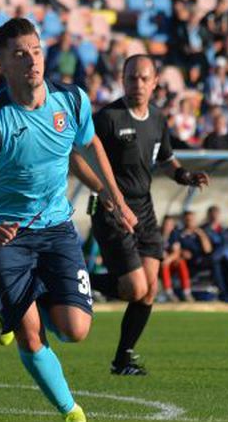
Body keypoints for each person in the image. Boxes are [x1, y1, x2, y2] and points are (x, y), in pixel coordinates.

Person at [0, 17, 135, 422]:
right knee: (30, 332)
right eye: (20, 54)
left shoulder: (72, 101)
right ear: (1, 63)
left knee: (76, 330)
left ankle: (14, 309)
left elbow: (89, 144)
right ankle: (70, 410)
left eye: (36, 50)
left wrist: (114, 196)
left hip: (57, 228)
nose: (32, 60)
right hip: (8, 237)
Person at [88, 54, 209, 375]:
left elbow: (167, 160)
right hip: (112, 209)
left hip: (144, 208)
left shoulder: (157, 119)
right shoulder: (107, 119)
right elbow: (84, 161)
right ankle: (67, 283)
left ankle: (123, 359)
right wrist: (108, 196)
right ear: (122, 79)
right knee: (134, 288)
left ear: (155, 82)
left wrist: (186, 176)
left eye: (144, 78)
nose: (137, 84)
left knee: (150, 288)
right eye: (131, 78)